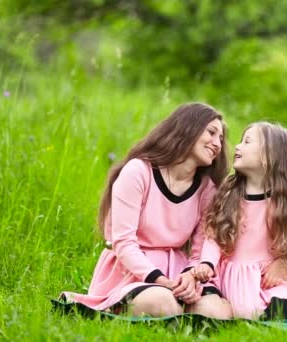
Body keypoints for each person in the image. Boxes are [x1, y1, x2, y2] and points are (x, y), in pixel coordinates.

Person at [55, 102, 232, 319]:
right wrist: (160, 280)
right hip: (133, 271)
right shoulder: (138, 172)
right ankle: (117, 306)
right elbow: (124, 242)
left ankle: (174, 313)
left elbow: (199, 249)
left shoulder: (207, 189)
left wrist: (191, 276)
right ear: (188, 128)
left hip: (177, 270)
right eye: (211, 133)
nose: (217, 144)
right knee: (163, 304)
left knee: (216, 312)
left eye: (221, 139)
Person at [193, 122, 287, 322]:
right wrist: (207, 263)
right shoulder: (229, 195)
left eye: (247, 142)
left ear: (268, 157)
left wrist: (284, 263)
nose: (237, 147)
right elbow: (214, 237)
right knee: (235, 310)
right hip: (233, 275)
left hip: (268, 277)